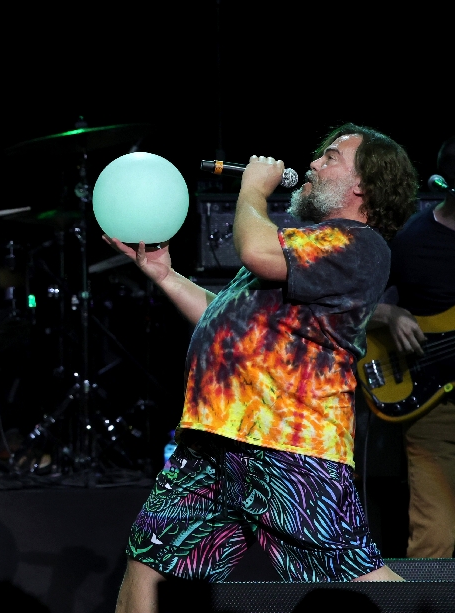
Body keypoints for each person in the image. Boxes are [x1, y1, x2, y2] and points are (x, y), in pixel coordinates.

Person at [107, 123, 418, 612]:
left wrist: (252, 189)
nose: (313, 164)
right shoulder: (300, 243)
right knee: (151, 565)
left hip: (291, 445)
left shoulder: (360, 245)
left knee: (356, 581)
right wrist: (165, 276)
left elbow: (253, 248)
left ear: (364, 186)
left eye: (331, 157)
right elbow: (226, 323)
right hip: (214, 439)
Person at [370, 137, 455, 558]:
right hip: (433, 409)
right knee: (435, 538)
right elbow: (347, 300)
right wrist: (389, 315)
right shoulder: (412, 240)